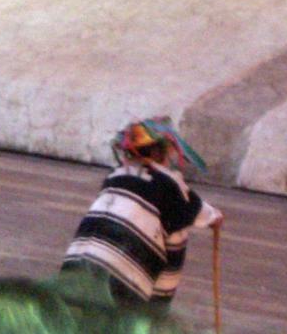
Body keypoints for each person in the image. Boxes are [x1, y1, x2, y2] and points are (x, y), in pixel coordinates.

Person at [61, 117, 223, 314]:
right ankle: (153, 316)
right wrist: (215, 219)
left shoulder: (114, 177)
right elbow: (205, 214)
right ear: (161, 153)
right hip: (121, 278)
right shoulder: (169, 183)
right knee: (176, 231)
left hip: (75, 266)